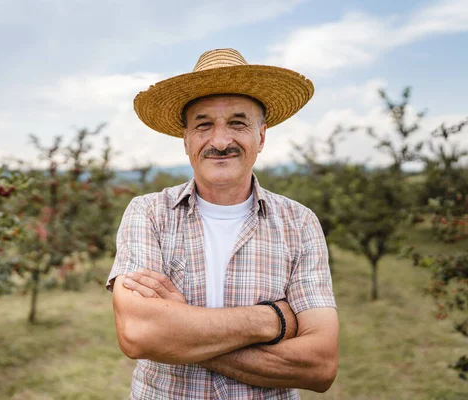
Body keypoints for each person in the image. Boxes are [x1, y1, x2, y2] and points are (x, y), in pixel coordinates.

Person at [106, 48, 338, 399]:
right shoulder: (148, 213)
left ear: (261, 137)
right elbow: (139, 332)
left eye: (238, 123)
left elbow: (319, 366)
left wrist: (181, 330)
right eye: (203, 125)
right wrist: (273, 320)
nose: (220, 141)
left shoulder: (300, 223)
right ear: (186, 140)